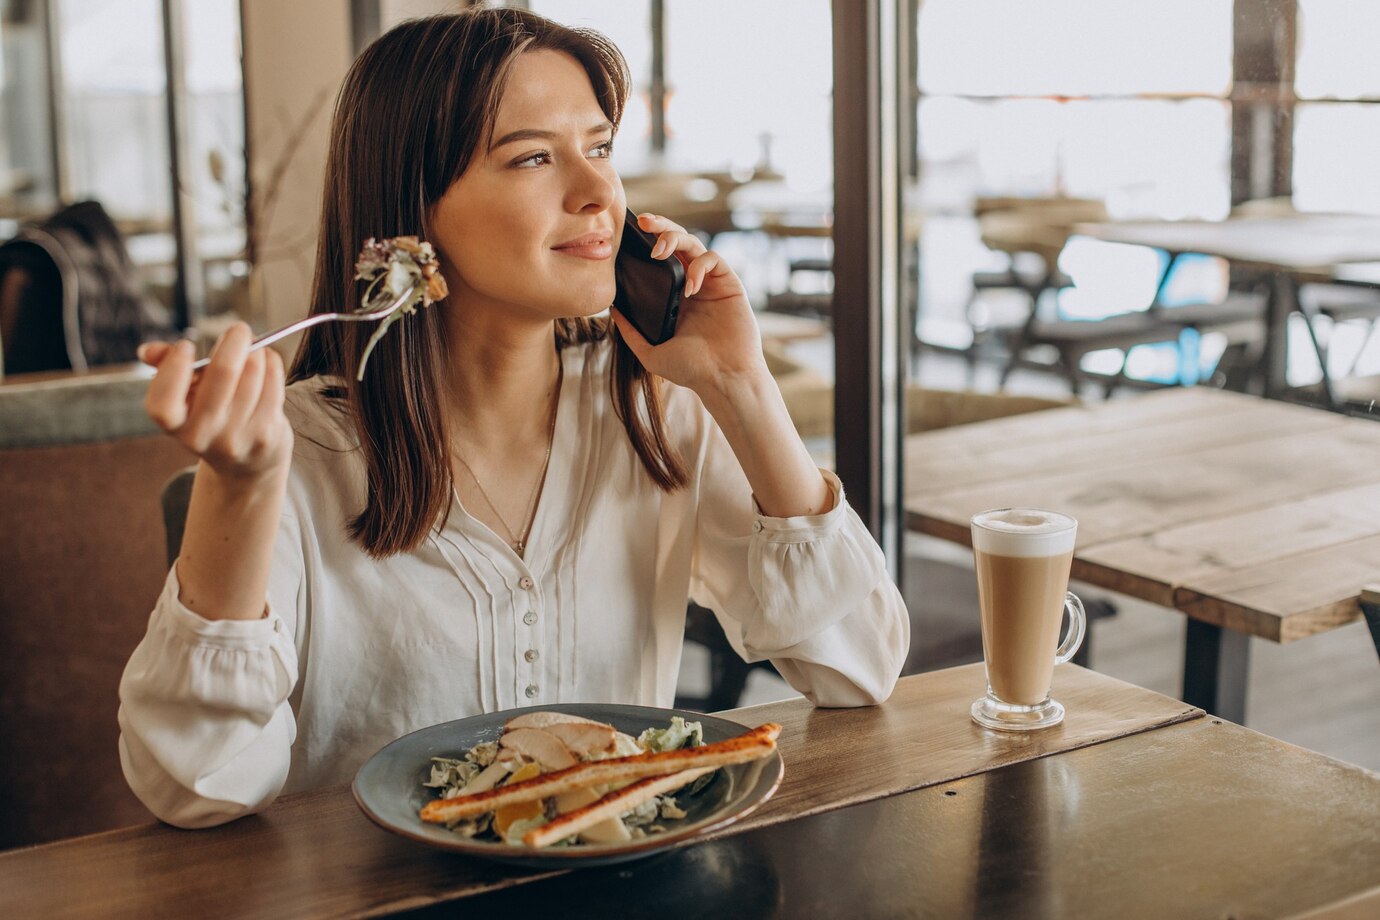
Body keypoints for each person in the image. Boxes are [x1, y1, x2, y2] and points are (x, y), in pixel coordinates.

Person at [119, 7, 909, 829]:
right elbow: (196, 787)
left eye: (600, 148)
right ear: (413, 213)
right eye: (533, 157)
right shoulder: (299, 454)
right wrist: (240, 485)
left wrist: (742, 385)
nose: (599, 191)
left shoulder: (655, 408)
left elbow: (860, 668)